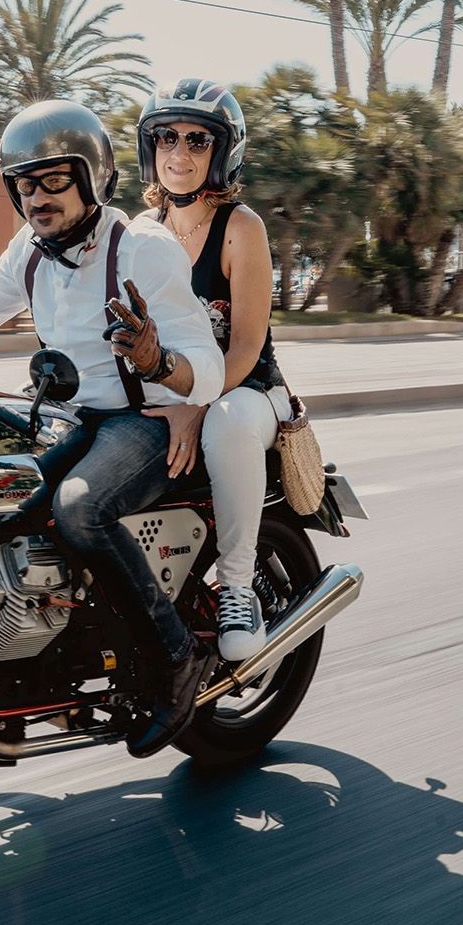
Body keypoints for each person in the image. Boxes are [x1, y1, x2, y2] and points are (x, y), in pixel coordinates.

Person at [0, 99, 225, 758]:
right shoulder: (33, 252)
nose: (36, 197)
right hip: (67, 415)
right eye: (24, 184)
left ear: (91, 175)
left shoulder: (144, 249)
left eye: (52, 180)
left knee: (80, 511)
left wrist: (160, 363)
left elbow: (206, 369)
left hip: (141, 419)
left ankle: (176, 659)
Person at [132, 79, 292, 665]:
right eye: (166, 137)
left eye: (197, 141)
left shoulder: (241, 227)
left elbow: (247, 346)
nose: (179, 153)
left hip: (245, 392)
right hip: (175, 389)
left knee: (224, 423)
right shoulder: (141, 228)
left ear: (222, 152)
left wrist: (195, 406)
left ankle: (239, 587)